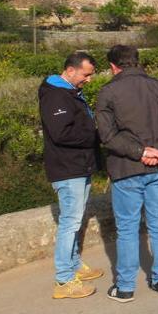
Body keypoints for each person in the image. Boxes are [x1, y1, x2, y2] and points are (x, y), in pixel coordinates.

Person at [96, 45, 158, 303]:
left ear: (114, 66)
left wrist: (140, 152)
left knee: (127, 229)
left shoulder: (108, 92)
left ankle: (125, 287)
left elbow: (107, 136)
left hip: (127, 170)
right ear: (137, 62)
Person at [39, 52, 103, 299]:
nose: (88, 80)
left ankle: (75, 266)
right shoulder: (56, 95)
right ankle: (64, 281)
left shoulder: (68, 93)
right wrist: (97, 136)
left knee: (75, 220)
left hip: (78, 166)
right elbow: (61, 134)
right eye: (86, 74)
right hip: (68, 169)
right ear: (70, 70)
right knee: (70, 222)